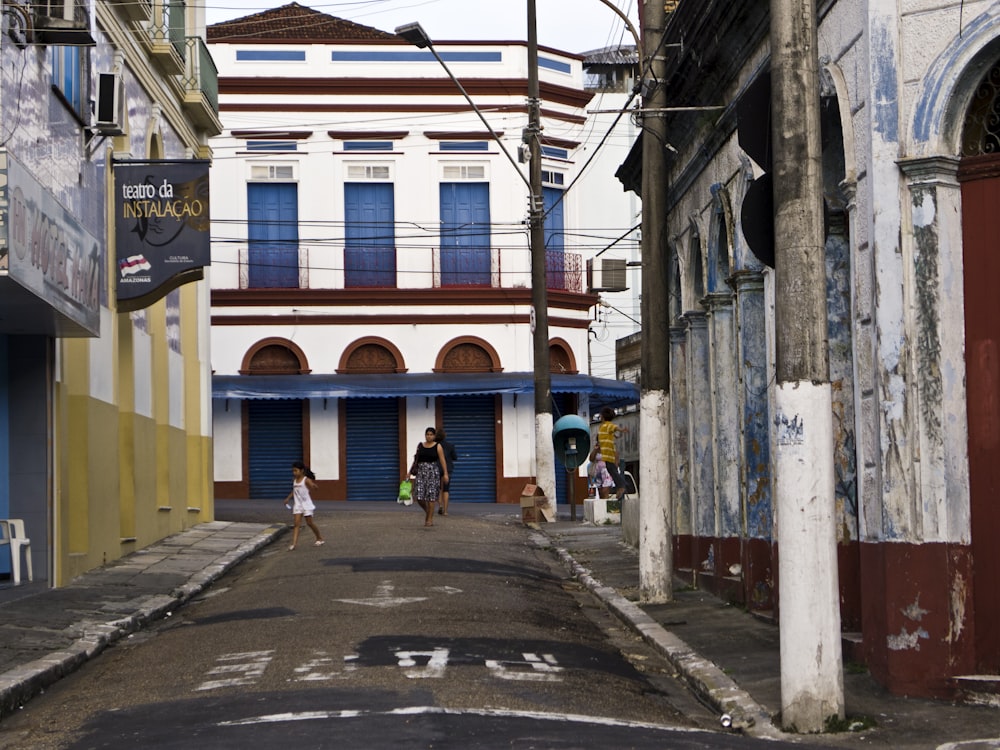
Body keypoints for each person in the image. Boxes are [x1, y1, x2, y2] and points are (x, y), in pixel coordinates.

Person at [406, 427, 449, 527]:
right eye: (427, 434)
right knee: (419, 497)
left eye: (431, 434)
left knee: (431, 497)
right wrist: (409, 472)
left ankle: (429, 519)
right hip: (421, 472)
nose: (429, 436)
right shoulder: (420, 446)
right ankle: (428, 511)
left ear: (434, 436)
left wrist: (445, 473)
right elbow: (416, 459)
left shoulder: (438, 446)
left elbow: (442, 460)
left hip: (433, 472)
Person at [281, 461, 325, 550]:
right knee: (296, 524)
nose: (294, 473)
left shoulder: (306, 480)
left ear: (302, 471)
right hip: (298, 505)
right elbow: (294, 491)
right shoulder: (294, 480)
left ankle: (319, 538)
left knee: (309, 523)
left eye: (296, 471)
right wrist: (288, 498)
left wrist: (314, 486)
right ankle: (294, 544)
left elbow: (314, 488)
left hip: (306, 505)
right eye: (293, 471)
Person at [597, 407, 629, 501]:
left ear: (602, 417)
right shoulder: (603, 427)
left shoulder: (607, 425)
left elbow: (614, 427)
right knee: (611, 470)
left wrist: (622, 430)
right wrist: (614, 435)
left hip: (609, 453)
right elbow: (610, 432)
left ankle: (622, 486)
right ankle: (620, 487)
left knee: (612, 470)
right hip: (606, 453)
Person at [436, 427, 458, 515]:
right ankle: (445, 510)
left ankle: (440, 505)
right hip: (447, 469)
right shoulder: (450, 446)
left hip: (436, 468)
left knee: (438, 488)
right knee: (446, 489)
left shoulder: (434, 445)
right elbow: (455, 457)